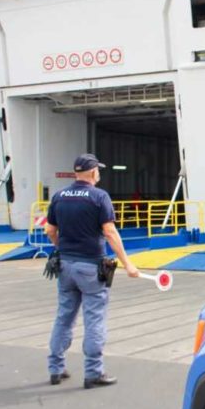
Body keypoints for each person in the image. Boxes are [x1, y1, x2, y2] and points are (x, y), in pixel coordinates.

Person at [45, 153, 140, 389]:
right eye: (98, 170)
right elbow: (109, 232)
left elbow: (49, 230)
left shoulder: (59, 196)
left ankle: (56, 369)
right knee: (94, 319)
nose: (100, 173)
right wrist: (128, 263)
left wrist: (62, 249)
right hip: (90, 267)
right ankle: (93, 373)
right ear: (92, 172)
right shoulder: (99, 197)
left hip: (65, 266)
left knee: (64, 317)